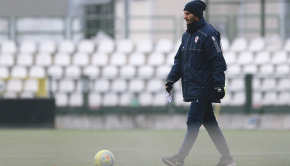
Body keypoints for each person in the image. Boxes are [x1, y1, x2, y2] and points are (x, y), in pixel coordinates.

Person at [162, 1, 236, 166]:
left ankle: (179, 158)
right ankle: (227, 159)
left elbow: (218, 62)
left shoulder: (209, 34)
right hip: (194, 87)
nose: (185, 16)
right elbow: (179, 61)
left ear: (197, 14)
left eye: (188, 13)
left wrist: (219, 85)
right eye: (184, 13)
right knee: (209, 123)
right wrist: (171, 79)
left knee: (193, 121)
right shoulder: (186, 36)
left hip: (203, 88)